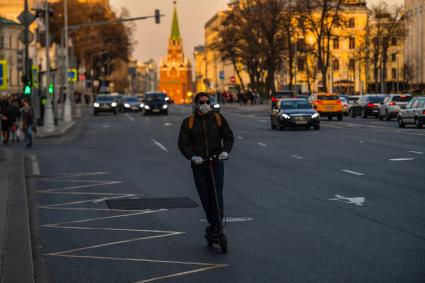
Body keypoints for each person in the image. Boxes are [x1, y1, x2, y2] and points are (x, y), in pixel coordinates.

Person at [178, 92, 234, 237]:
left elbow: (228, 137)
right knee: (205, 196)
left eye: (207, 102)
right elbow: (183, 144)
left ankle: (218, 225)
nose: (205, 105)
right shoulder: (189, 122)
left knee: (217, 195)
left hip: (216, 162)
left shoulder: (217, 118)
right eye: (201, 102)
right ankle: (213, 222)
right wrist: (192, 156)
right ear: (196, 104)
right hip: (199, 165)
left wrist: (225, 152)